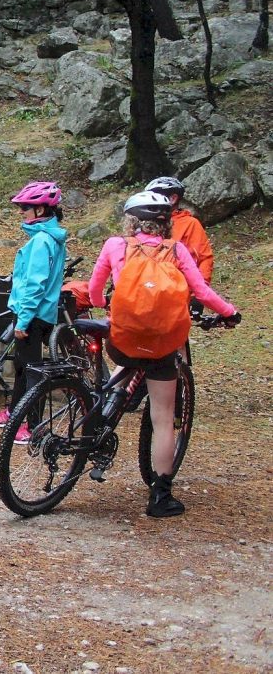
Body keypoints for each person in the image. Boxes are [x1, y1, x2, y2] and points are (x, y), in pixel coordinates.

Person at [88, 191, 239, 518]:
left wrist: (105, 305)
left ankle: (101, 418)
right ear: (165, 223)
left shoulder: (116, 245)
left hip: (123, 338)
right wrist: (229, 312)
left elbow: (94, 291)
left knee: (121, 364)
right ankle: (160, 496)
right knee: (162, 417)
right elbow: (202, 291)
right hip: (162, 343)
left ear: (131, 220)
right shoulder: (177, 250)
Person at [0, 182, 67, 441]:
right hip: (36, 313)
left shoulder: (42, 241)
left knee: (32, 370)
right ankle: (14, 412)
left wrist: (23, 320)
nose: (21, 212)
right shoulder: (46, 238)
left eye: (25, 208)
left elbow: (36, 284)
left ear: (41, 209)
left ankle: (33, 426)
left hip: (33, 315)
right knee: (22, 366)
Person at [144, 176, 213, 283]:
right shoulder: (147, 222)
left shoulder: (189, 223)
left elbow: (204, 258)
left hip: (180, 288)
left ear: (173, 198)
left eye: (155, 196)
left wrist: (200, 289)